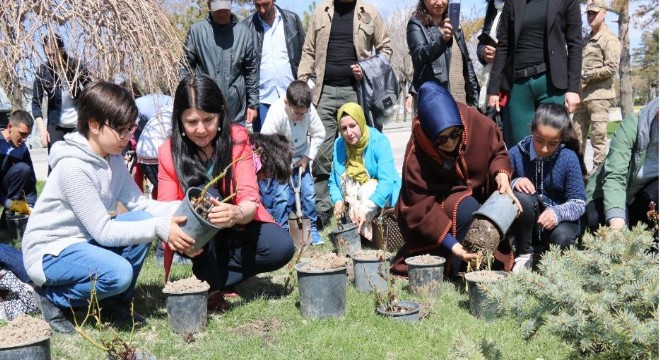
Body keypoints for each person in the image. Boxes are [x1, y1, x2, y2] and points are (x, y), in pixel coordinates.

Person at [22, 82, 195, 333]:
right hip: (51, 250)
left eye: (130, 129)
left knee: (141, 218)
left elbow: (140, 204)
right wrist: (160, 228)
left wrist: (186, 207)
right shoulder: (74, 167)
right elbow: (103, 232)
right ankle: (53, 297)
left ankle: (114, 303)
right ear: (94, 125)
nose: (128, 137)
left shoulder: (112, 159)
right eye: (121, 130)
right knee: (119, 274)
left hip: (82, 241)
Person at [157, 74, 295, 312]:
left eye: (208, 120)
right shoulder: (167, 153)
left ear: (220, 114)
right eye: (191, 122)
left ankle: (215, 279)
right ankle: (211, 285)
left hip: (237, 223)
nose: (201, 130)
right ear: (179, 120)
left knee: (281, 247)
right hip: (198, 237)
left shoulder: (237, 138)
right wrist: (177, 237)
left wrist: (235, 213)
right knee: (201, 207)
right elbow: (166, 208)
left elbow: (250, 197)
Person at [392, 81, 518, 276]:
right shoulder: (416, 154)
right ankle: (457, 264)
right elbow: (418, 210)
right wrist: (454, 247)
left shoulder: (472, 120)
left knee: (516, 203)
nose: (451, 143)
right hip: (438, 206)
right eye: (441, 139)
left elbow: (498, 152)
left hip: (480, 194)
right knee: (468, 208)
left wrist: (501, 173)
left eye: (455, 134)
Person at [298, 0, 392, 229]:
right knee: (321, 152)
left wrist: (368, 67)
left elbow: (386, 49)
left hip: (355, 92)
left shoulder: (369, 12)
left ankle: (358, 207)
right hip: (324, 92)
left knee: (356, 151)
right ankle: (323, 210)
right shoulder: (321, 12)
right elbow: (308, 51)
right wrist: (302, 84)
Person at [486, 0, 582, 147]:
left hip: (551, 85)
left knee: (552, 146)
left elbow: (575, 43)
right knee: (521, 148)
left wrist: (573, 89)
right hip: (518, 85)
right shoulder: (512, 2)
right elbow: (503, 45)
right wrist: (493, 90)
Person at [508, 103, 587, 271]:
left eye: (553, 143)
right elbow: (497, 185)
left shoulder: (568, 157)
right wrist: (514, 182)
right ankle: (524, 255)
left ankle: (553, 261)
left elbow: (579, 202)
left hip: (558, 223)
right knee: (521, 196)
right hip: (526, 228)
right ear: (532, 131)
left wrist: (557, 213)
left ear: (562, 138)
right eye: (539, 140)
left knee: (563, 237)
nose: (544, 148)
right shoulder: (516, 154)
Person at [260, 80, 325, 244]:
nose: (301, 116)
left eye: (304, 113)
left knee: (309, 194)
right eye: (296, 113)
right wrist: (280, 161)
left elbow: (319, 134)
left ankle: (312, 231)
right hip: (282, 161)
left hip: (302, 159)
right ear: (286, 103)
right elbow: (266, 139)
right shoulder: (277, 111)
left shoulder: (309, 111)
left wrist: (307, 157)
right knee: (281, 196)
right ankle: (282, 233)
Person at [585, 97, 658, 233]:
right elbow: (615, 177)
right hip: (607, 193)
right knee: (598, 221)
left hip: (641, 198)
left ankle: (651, 239)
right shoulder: (633, 126)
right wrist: (617, 222)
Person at [329, 102, 400, 241]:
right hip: (356, 196)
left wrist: (365, 208)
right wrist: (338, 201)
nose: (348, 133)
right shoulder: (339, 144)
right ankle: (358, 227)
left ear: (361, 122)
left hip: (380, 197)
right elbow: (334, 180)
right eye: (343, 128)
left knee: (368, 189)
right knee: (347, 181)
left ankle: (368, 230)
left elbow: (387, 181)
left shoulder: (379, 141)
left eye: (353, 126)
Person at [180, 0, 258, 125]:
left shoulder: (244, 33)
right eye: (218, 10)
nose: (222, 14)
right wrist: (189, 98)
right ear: (209, 6)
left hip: (235, 112)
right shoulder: (196, 32)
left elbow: (251, 71)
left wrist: (253, 104)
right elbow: (185, 67)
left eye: (225, 9)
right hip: (204, 110)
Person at [572, 0, 621, 171]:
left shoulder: (609, 39)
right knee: (575, 139)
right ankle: (580, 176)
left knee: (598, 140)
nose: (591, 16)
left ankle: (598, 183)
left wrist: (587, 74)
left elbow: (612, 67)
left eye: (595, 13)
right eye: (589, 13)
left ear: (604, 13)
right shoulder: (586, 39)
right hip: (582, 96)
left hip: (599, 97)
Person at [243, 0, 305, 132]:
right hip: (262, 101)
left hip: (292, 98)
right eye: (258, 5)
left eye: (266, 4)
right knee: (265, 148)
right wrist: (250, 102)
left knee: (294, 146)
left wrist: (308, 84)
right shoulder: (246, 26)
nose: (262, 10)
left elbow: (306, 54)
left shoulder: (292, 20)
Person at [407, 0, 480, 109]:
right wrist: (443, 40)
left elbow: (467, 64)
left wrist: (475, 101)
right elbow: (419, 55)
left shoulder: (454, 26)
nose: (440, 2)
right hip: (436, 105)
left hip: (462, 102)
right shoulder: (416, 24)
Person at [32, 34, 91, 160]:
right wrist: (42, 130)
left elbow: (92, 90)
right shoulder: (43, 71)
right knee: (55, 162)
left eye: (53, 54)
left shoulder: (76, 66)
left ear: (61, 49)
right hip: (56, 125)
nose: (51, 58)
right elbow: (36, 102)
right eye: (48, 55)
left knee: (79, 161)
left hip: (78, 124)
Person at [0, 110, 37, 219]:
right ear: (10, 127)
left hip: (5, 187)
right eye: (22, 134)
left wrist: (31, 207)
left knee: (24, 169)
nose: (25, 139)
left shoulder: (22, 149)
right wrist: (7, 202)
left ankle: (7, 217)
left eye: (28, 135)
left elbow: (30, 178)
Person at [476, 0, 505, 111]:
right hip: (490, 77)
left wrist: (500, 55)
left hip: (508, 80)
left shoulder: (517, 7)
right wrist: (484, 52)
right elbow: (482, 43)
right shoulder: (493, 7)